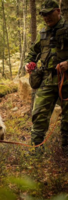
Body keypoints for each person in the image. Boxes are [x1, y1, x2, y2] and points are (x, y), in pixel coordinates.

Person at [25, 0, 68, 155]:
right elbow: (33, 52)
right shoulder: (43, 32)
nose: (46, 18)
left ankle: (65, 154)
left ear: (58, 11)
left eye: (49, 14)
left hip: (66, 80)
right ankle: (36, 152)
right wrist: (29, 63)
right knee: (38, 115)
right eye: (43, 15)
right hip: (47, 79)